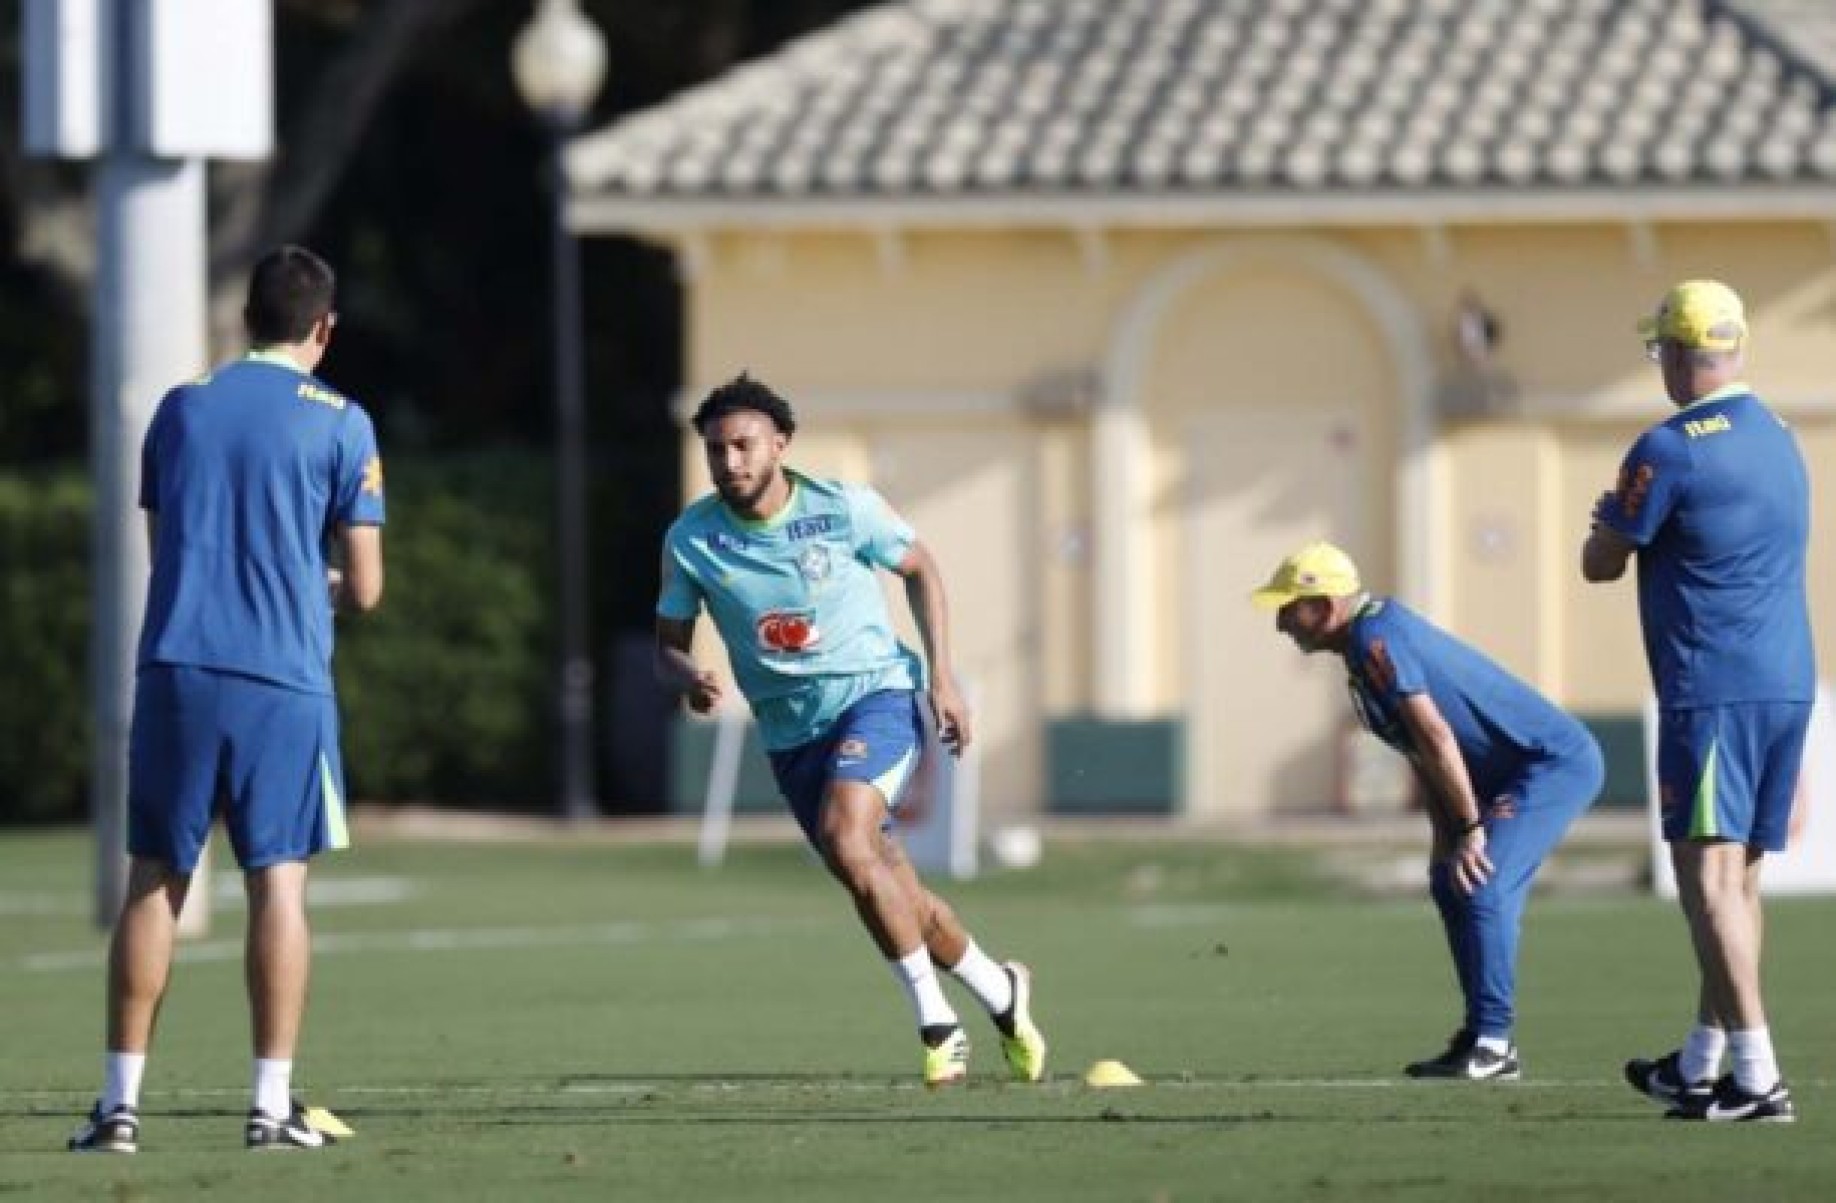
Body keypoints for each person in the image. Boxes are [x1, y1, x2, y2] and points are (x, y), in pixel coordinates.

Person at [69, 246, 385, 1153]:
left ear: (246, 318)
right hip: (282, 677)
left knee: (152, 884)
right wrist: (310, 579)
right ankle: (268, 1104)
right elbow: (363, 588)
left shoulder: (180, 408)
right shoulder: (344, 421)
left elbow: (167, 546)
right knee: (277, 882)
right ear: (323, 328)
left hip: (176, 666)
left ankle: (118, 1105)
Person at [654, 373, 1046, 1087]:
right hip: (790, 736)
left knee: (846, 834)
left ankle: (938, 1024)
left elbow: (921, 568)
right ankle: (1000, 990)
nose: (731, 462)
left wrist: (943, 676)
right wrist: (686, 675)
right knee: (886, 884)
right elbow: (668, 642)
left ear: (781, 443)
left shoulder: (843, 507)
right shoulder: (692, 538)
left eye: (743, 445)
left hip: (877, 699)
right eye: (716, 451)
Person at [1583, 279, 1811, 1124]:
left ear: (1680, 354)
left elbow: (1602, 560)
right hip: (1787, 679)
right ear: (1738, 346)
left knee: (1707, 882)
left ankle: (1758, 1076)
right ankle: (1702, 1060)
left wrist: (1605, 521)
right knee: (1736, 882)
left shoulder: (1669, 447)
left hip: (1711, 685)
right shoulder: (1783, 438)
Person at [1252, 542, 1602, 1080]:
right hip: (1493, 775)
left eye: (1289, 607)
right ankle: (1478, 1034)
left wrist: (1470, 830)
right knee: (1450, 880)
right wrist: (1447, 839)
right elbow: (1423, 750)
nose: (1280, 622)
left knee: (1485, 882)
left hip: (1550, 764)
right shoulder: (1363, 645)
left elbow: (1436, 736)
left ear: (1324, 605)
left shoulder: (1375, 639)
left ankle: (1495, 1042)